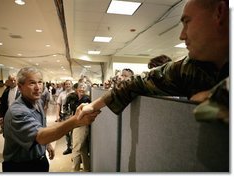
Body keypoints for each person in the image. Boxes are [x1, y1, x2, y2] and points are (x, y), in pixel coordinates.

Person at [77, 0, 229, 122]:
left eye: (187, 22)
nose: (182, 35)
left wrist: (212, 99)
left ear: (219, 13)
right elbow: (139, 82)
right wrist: (93, 105)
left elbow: (208, 109)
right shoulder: (192, 66)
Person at [2, 66, 100, 172]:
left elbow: (40, 127)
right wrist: (75, 120)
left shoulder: (37, 102)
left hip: (39, 160)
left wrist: (47, 145)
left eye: (40, 82)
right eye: (32, 83)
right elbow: (40, 136)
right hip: (21, 167)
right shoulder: (17, 112)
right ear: (20, 87)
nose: (38, 87)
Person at [56, 80, 74, 155]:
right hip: (64, 115)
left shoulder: (74, 93)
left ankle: (74, 148)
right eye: (66, 84)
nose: (67, 85)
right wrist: (57, 115)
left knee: (73, 132)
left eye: (69, 84)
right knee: (66, 132)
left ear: (71, 85)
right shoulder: (62, 94)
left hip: (72, 115)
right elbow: (58, 104)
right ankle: (69, 147)